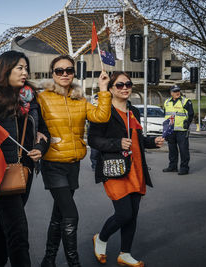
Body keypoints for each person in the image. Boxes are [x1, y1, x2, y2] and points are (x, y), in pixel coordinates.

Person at [0, 50, 50, 267]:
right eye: (19, 68)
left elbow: (43, 131)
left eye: (26, 68)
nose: (25, 73)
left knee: (7, 224)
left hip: (24, 169)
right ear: (6, 69)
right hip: (0, 168)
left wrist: (40, 147)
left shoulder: (31, 98)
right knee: (18, 228)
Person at [37, 55, 112, 267]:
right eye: (59, 70)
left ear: (73, 73)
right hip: (52, 162)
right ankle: (74, 262)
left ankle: (48, 259)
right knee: (71, 214)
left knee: (59, 214)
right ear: (52, 73)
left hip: (73, 163)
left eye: (68, 70)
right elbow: (33, 122)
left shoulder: (80, 99)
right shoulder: (42, 98)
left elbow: (101, 117)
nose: (64, 74)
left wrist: (104, 89)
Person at [88, 71, 165, 267]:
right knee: (124, 214)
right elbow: (93, 140)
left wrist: (151, 142)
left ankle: (125, 253)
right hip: (115, 169)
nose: (125, 88)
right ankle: (101, 239)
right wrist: (116, 143)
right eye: (120, 85)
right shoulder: (104, 111)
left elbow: (137, 139)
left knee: (133, 215)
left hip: (136, 169)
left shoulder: (134, 111)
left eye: (128, 84)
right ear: (111, 88)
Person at [162, 85, 194, 175]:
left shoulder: (186, 101)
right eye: (175, 91)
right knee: (172, 149)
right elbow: (166, 115)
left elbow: (191, 114)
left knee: (183, 149)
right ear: (171, 93)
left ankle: (184, 168)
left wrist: (187, 123)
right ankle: (172, 166)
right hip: (170, 130)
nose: (177, 92)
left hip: (182, 130)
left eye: (178, 91)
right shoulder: (167, 102)